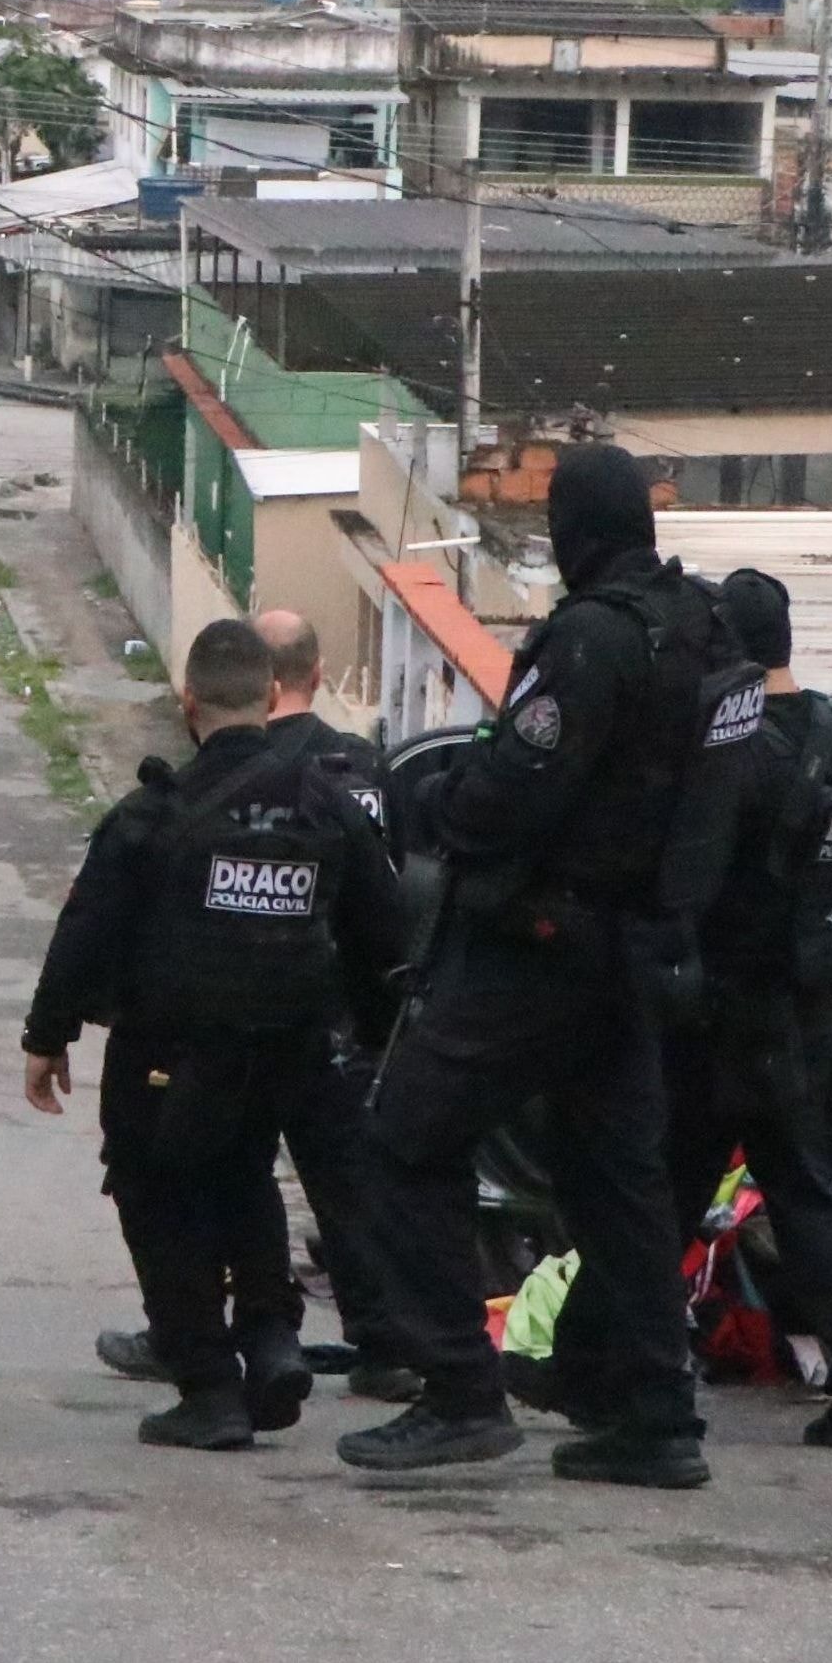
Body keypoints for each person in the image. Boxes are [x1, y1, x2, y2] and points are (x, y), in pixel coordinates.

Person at [336, 444, 746, 1490]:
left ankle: (458, 1390)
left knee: (400, 1139)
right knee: (617, 1183)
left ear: (576, 530)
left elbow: (507, 788)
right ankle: (655, 1414)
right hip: (632, 947)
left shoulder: (592, 639)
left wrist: (440, 807)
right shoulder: (701, 625)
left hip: (536, 944)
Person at [25, 619, 407, 1450]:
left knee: (156, 1196)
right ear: (272, 698)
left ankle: (206, 1386)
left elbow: (87, 926)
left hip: (170, 1050)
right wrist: (375, 1037)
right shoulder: (327, 807)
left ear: (186, 700)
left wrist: (48, 1035)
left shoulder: (154, 811)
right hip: (292, 1046)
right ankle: (270, 1339)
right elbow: (384, 932)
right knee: (244, 1177)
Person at [667, 570, 832, 1453]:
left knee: (663, 1194)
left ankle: (625, 1373)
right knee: (804, 1197)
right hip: (816, 1003)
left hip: (729, 1005)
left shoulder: (732, 747)